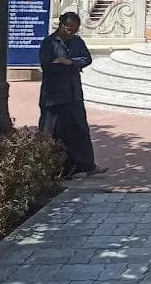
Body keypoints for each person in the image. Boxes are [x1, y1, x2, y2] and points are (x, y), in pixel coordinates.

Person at [38, 11, 107, 178]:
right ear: (61, 25)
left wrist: (69, 62)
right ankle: (49, 170)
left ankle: (87, 166)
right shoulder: (49, 43)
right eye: (68, 29)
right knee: (51, 132)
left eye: (74, 30)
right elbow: (47, 66)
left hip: (73, 93)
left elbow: (87, 59)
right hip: (53, 97)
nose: (71, 33)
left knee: (80, 130)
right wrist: (68, 65)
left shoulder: (77, 42)